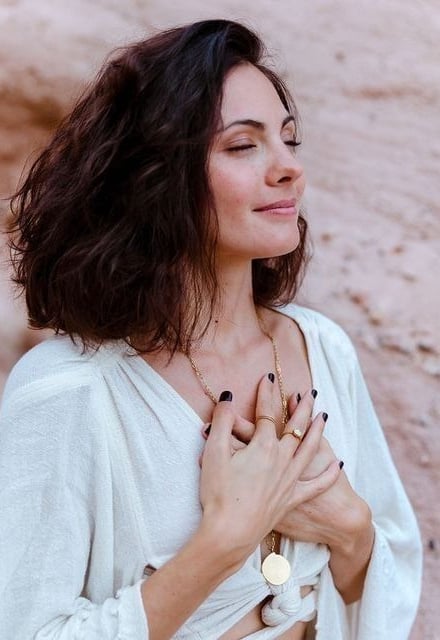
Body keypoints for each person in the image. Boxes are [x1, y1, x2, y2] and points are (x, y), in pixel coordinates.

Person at [0, 19, 422, 640]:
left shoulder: (321, 348)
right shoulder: (70, 390)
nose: (289, 169)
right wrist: (223, 540)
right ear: (155, 175)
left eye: (289, 140)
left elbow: (387, 584)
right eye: (243, 145)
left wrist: (350, 528)